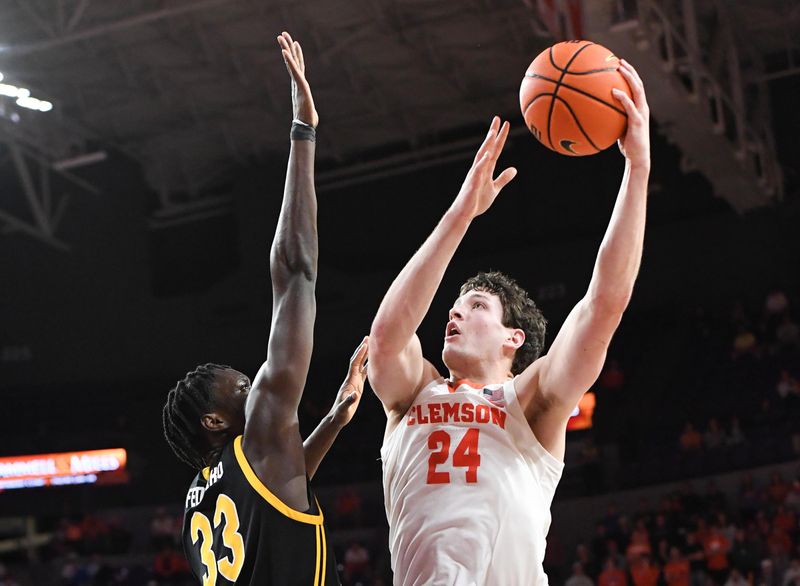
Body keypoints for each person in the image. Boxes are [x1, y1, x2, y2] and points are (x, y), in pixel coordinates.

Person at [368, 60, 650, 584]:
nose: (454, 311)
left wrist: (637, 170)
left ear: (514, 338)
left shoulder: (533, 405)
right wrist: (461, 214)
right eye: (456, 304)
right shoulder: (412, 395)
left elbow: (604, 304)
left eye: (476, 306)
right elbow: (386, 337)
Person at [161, 32, 368, 585]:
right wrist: (304, 132)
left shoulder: (194, 507)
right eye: (242, 387)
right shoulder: (259, 431)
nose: (255, 387)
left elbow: (277, 488)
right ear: (214, 420)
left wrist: (331, 422)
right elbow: (295, 273)